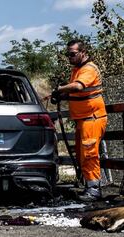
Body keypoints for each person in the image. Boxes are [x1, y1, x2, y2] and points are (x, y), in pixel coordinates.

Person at [51, 39, 107, 201]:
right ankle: (89, 186)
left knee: (89, 153)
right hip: (84, 118)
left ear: (83, 52)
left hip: (92, 118)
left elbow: (79, 87)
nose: (70, 57)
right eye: (68, 54)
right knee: (83, 154)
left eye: (73, 54)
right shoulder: (78, 69)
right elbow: (77, 92)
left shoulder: (88, 69)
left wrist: (60, 89)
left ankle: (94, 189)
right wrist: (63, 95)